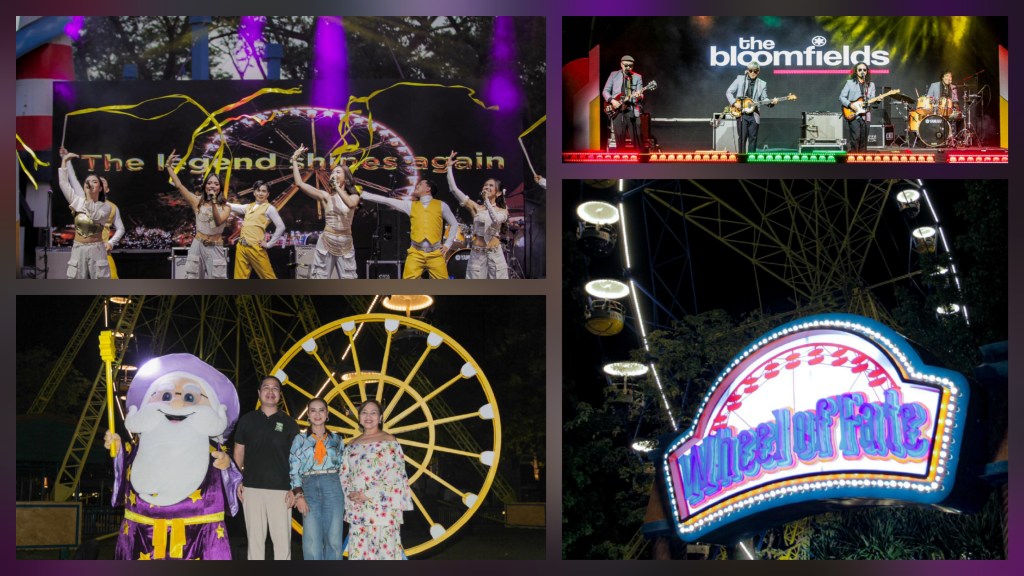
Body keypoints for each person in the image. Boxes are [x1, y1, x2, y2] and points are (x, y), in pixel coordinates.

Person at [103, 353, 242, 560]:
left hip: (197, 532)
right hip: (144, 528)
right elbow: (127, 461)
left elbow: (230, 475)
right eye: (166, 396)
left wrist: (226, 464)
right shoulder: (142, 444)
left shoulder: (211, 448)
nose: (176, 403)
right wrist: (118, 447)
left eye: (190, 397)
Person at [233, 376, 299, 560]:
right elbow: (238, 453)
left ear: (280, 394)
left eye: (275, 388)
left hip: (282, 491)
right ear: (259, 393)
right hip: (251, 489)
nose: (270, 392)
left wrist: (295, 488)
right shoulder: (247, 420)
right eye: (266, 387)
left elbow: (297, 459)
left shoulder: (290, 424)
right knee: (255, 543)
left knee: (282, 543)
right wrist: (237, 480)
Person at [340, 400, 413, 560]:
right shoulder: (351, 444)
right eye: (364, 412)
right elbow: (344, 474)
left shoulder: (389, 441)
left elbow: (395, 474)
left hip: (382, 508)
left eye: (373, 413)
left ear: (380, 418)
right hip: (358, 509)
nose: (368, 416)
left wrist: (368, 494)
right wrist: (351, 494)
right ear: (359, 417)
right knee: (358, 554)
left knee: (385, 555)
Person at [359, 180, 460, 279]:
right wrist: (363, 194)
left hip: (435, 254)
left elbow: (454, 224)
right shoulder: (411, 205)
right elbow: (386, 200)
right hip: (416, 254)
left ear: (428, 189)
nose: (417, 185)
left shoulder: (441, 205)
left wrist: (447, 245)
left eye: (420, 184)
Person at [290, 145, 360, 279]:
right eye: (333, 172)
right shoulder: (326, 196)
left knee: (349, 278)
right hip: (327, 240)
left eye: (338, 172)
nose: (334, 174)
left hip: (346, 242)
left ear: (346, 178)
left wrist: (337, 188)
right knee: (320, 276)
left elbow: (351, 204)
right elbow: (299, 183)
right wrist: (294, 160)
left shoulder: (354, 196)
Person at [289, 398, 345, 560]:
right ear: (308, 414)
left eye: (321, 410)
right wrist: (299, 495)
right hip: (309, 487)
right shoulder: (299, 440)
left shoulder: (337, 439)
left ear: (327, 414)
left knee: (334, 539)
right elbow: (293, 469)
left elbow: (344, 468)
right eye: (313, 410)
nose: (317, 414)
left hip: (333, 485)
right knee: (311, 540)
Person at [57, 148, 124, 278]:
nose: (90, 184)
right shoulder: (78, 201)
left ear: (101, 188)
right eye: (88, 181)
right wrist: (65, 160)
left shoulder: (106, 207)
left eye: (95, 181)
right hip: (78, 248)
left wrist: (111, 243)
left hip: (98, 249)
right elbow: (65, 183)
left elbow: (95, 216)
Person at [445, 151, 510, 279]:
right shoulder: (476, 207)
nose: (487, 187)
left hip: (495, 255)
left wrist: (486, 201)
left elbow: (496, 220)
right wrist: (449, 168)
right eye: (485, 185)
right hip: (477, 255)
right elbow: (454, 190)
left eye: (491, 185)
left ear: (498, 193)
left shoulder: (503, 210)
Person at [166, 152, 231, 279]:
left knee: (217, 279)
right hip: (198, 244)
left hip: (215, 246)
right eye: (209, 183)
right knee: (192, 277)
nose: (212, 186)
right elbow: (179, 186)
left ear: (220, 187)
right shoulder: (197, 202)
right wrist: (168, 167)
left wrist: (213, 202)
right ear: (205, 186)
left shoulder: (226, 207)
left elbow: (218, 221)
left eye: (216, 184)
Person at [227, 181, 286, 279]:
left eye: (264, 191)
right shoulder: (249, 206)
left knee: (268, 277)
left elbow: (281, 227)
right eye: (258, 190)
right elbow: (230, 205)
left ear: (268, 194)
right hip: (241, 247)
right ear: (254, 192)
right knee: (239, 278)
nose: (260, 193)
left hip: (256, 247)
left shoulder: (269, 208)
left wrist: (269, 244)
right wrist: (219, 200)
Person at [726, 63, 777, 153]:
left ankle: (751, 158)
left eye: (755, 71)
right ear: (747, 71)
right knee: (742, 137)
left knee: (753, 138)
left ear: (758, 72)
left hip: (754, 113)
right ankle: (742, 158)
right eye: (750, 71)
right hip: (742, 114)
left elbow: (764, 98)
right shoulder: (740, 79)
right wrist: (734, 103)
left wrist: (771, 102)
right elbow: (729, 92)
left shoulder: (762, 83)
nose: (753, 73)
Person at [601, 55, 644, 149]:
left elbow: (641, 95)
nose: (628, 67)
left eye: (630, 66)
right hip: (617, 110)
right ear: (621, 64)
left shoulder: (637, 77)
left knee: (638, 138)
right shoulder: (613, 75)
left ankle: (641, 156)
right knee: (619, 138)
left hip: (632, 109)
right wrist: (612, 101)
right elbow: (605, 91)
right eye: (626, 65)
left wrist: (638, 96)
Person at [839, 63, 876, 152]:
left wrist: (877, 100)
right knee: (855, 138)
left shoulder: (871, 85)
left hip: (866, 115)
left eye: (864, 70)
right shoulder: (850, 83)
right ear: (856, 71)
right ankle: (854, 157)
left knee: (864, 140)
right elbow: (841, 97)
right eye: (860, 70)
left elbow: (872, 99)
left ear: (867, 72)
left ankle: (862, 158)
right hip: (853, 114)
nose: (862, 71)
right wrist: (850, 105)